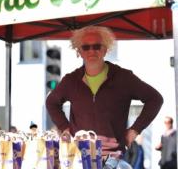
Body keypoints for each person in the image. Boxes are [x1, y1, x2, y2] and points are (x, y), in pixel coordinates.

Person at [45, 26, 163, 155]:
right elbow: (51, 102)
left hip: (112, 157)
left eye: (97, 46)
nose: (92, 51)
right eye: (86, 47)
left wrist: (134, 130)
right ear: (79, 51)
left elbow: (155, 99)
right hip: (79, 155)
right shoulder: (71, 80)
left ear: (105, 50)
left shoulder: (123, 78)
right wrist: (65, 128)